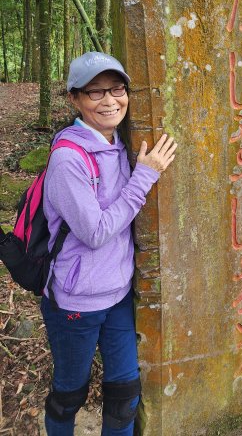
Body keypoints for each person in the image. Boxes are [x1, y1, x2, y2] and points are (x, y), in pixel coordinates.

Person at [40, 52, 177, 436]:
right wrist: (145, 176)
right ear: (75, 99)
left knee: (124, 395)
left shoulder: (120, 142)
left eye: (116, 89)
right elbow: (95, 231)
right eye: (95, 92)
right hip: (76, 302)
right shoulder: (68, 158)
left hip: (117, 296)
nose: (109, 100)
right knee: (70, 394)